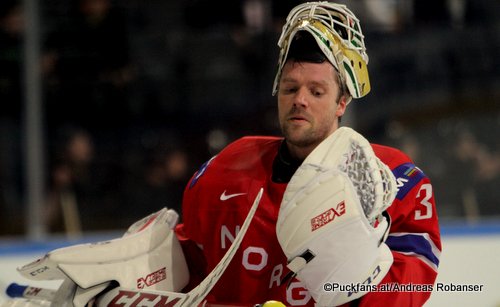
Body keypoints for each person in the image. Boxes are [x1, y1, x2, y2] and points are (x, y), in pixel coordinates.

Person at [175, 2, 441, 306]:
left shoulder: (393, 179)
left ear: (342, 102)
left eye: (316, 91)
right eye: (290, 89)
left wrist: (353, 284)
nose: (299, 100)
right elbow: (190, 264)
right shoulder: (227, 168)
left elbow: (411, 285)